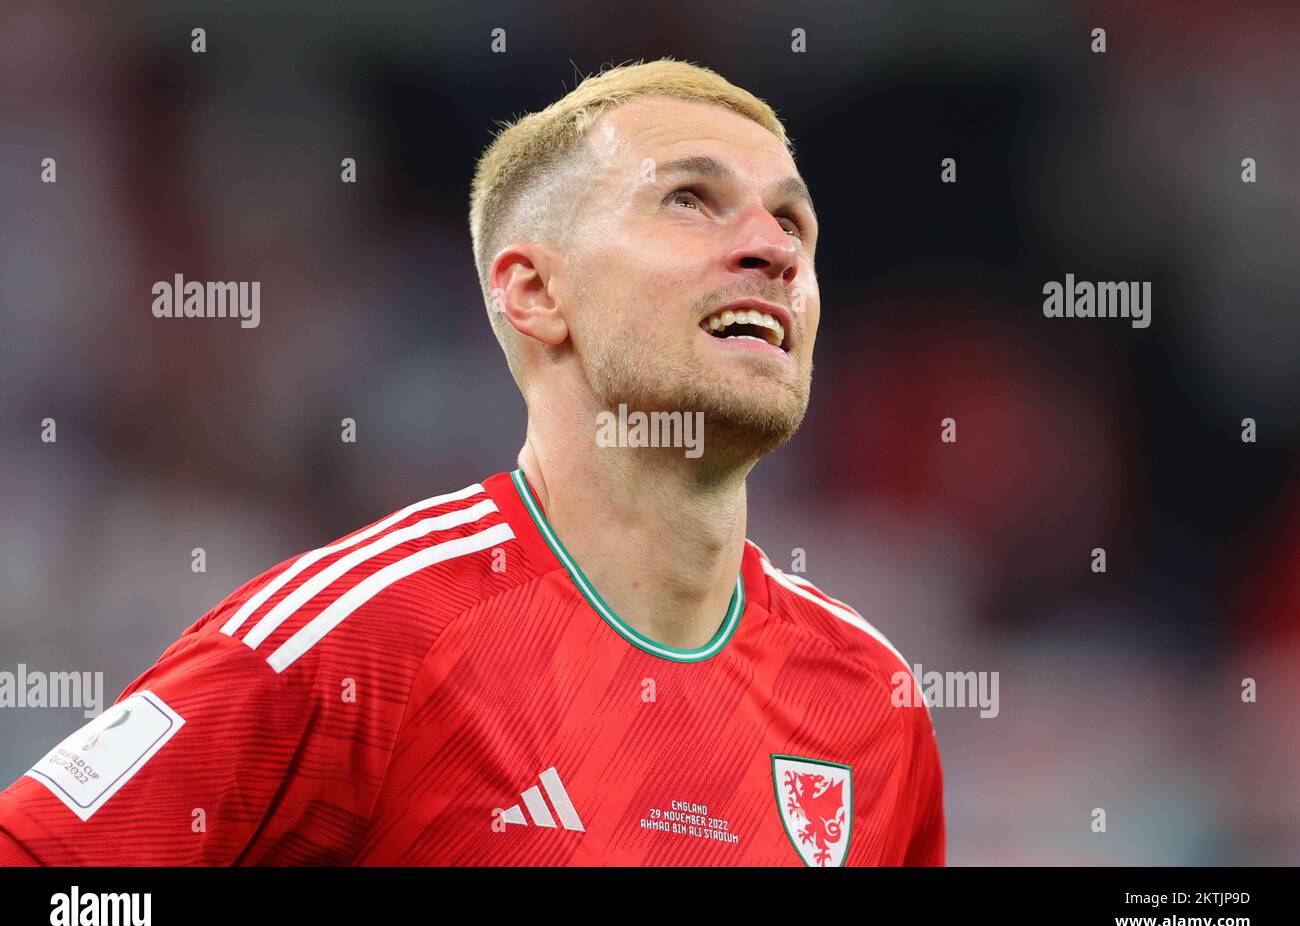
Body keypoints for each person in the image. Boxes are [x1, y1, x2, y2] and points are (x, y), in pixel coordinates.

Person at [0, 58, 943, 866]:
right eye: (691, 201)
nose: (773, 251)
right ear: (534, 291)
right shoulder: (366, 637)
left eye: (794, 223)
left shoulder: (871, 700)